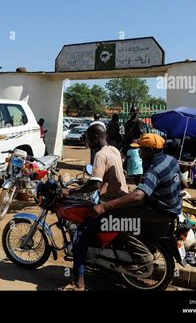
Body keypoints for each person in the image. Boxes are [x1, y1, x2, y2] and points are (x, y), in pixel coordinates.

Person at [60, 124, 128, 290]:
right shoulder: (114, 150)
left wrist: (71, 191)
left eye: (89, 138)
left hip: (110, 204)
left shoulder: (99, 155)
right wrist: (88, 182)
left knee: (79, 239)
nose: (88, 141)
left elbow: (95, 184)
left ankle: (79, 283)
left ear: (96, 136)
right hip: (123, 200)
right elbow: (109, 176)